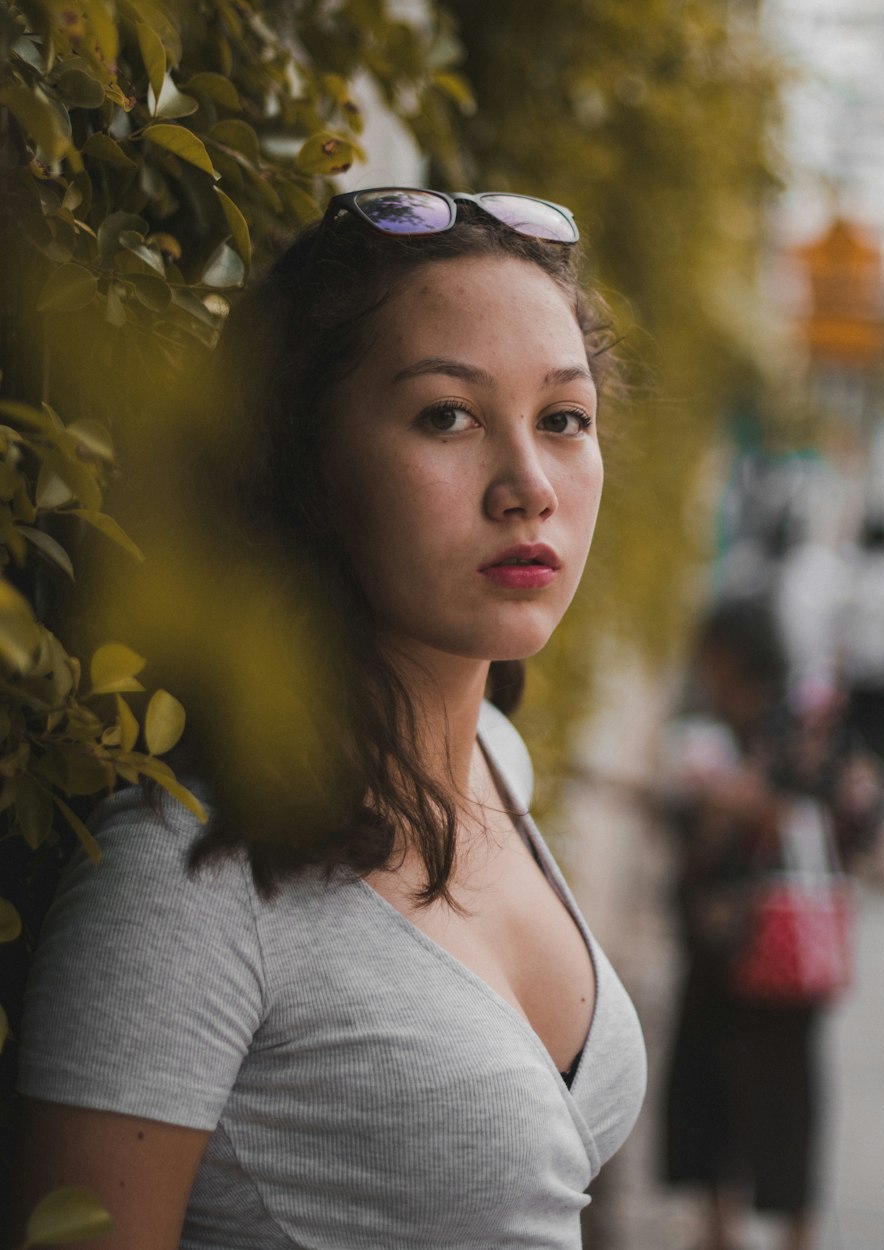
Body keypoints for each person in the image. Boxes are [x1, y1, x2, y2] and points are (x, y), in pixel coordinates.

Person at [10, 189, 647, 1250]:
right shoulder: (186, 891)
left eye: (562, 418)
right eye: (446, 414)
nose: (528, 485)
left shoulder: (494, 759)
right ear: (303, 466)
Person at [658, 596, 881, 1250]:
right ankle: (717, 1231)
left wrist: (762, 808)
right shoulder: (711, 724)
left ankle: (794, 1236)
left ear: (729, 656)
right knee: (705, 1088)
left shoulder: (808, 725)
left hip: (781, 950)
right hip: (715, 945)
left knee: (784, 1103)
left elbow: (861, 813)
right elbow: (684, 818)